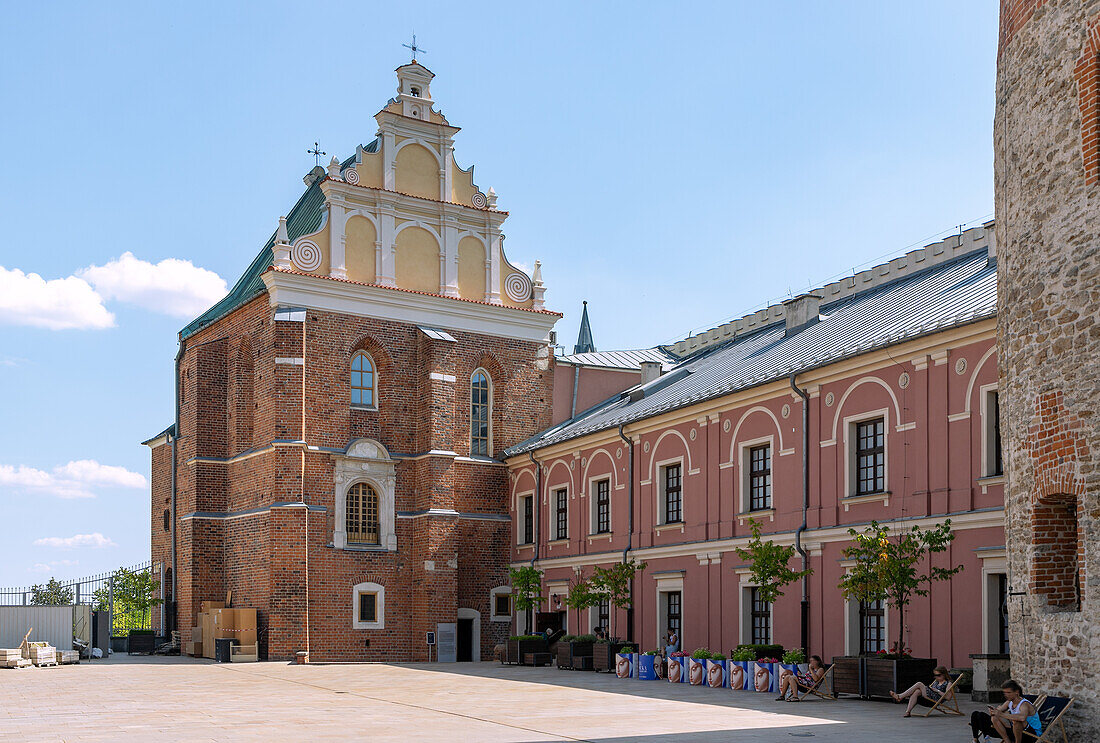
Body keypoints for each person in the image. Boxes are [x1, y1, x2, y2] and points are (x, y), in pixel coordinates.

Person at [970, 679, 1042, 743]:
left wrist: (1001, 714)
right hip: (1017, 731)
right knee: (993, 717)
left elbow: (1022, 718)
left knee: (1017, 721)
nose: (1006, 695)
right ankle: (1007, 740)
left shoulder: (1024, 704)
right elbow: (998, 712)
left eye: (1008, 692)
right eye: (1004, 693)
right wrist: (994, 711)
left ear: (1017, 692)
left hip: (1032, 735)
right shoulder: (1009, 702)